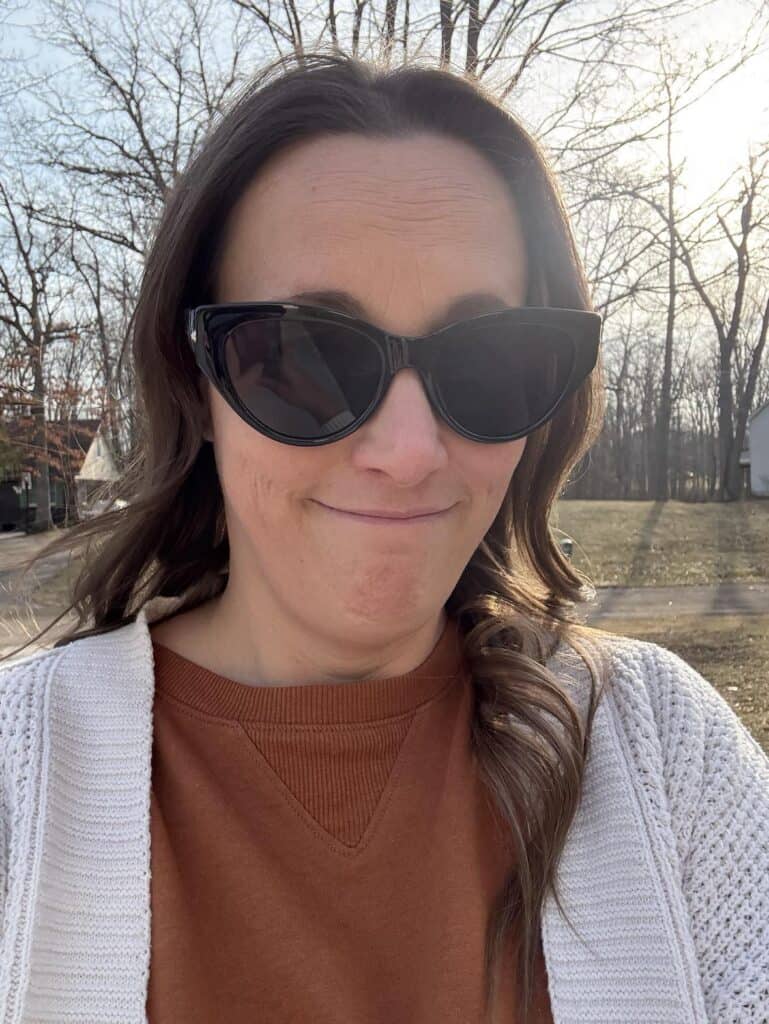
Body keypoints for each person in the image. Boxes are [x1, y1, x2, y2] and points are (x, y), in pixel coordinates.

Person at [0, 51, 767, 1024]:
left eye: (492, 361)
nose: (408, 453)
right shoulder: (16, 775)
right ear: (195, 379)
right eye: (306, 356)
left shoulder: (666, 750)